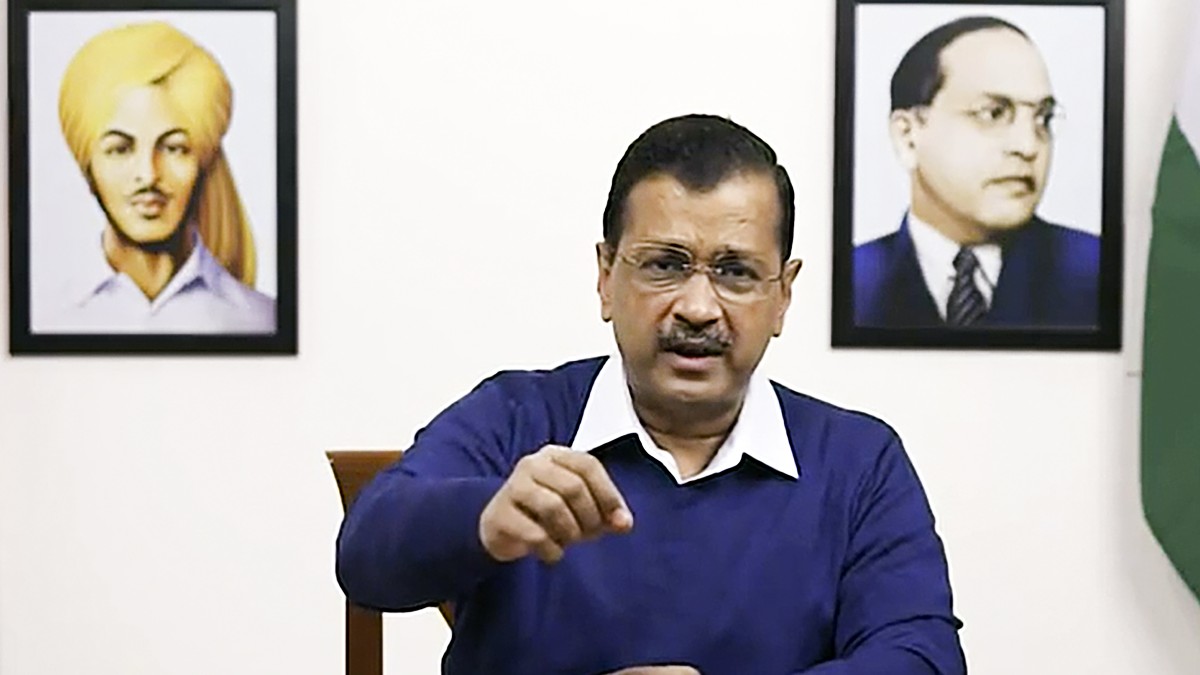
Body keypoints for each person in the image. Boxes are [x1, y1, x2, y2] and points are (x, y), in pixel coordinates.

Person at [336, 114, 965, 674]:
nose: (698, 308)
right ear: (606, 277)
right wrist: (482, 518)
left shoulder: (857, 461)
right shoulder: (517, 418)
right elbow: (365, 557)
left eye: (735, 272)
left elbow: (921, 655)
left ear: (782, 294)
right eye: (665, 265)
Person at [853, 16, 1100, 329]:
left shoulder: (1097, 274)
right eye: (993, 113)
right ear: (908, 136)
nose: (1028, 146)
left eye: (1043, 118)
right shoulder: (853, 282)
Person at [44, 21, 274, 334]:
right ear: (88, 168)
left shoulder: (262, 319)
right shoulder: (47, 317)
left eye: (173, 148)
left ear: (203, 161)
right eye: (120, 149)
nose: (148, 174)